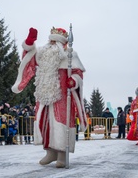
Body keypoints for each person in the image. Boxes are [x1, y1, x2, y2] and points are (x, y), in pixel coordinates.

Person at [12, 27, 87, 168]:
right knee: (44, 123)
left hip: (62, 96)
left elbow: (78, 73)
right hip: (43, 94)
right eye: (50, 40)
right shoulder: (42, 53)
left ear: (61, 43)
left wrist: (74, 81)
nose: (52, 43)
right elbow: (28, 58)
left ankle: (62, 155)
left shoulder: (70, 55)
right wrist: (30, 41)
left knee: (60, 123)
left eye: (55, 41)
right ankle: (50, 152)